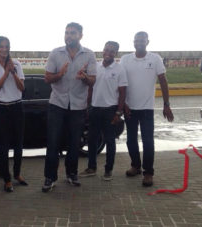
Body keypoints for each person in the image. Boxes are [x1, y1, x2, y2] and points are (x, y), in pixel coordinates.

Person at [42, 22, 97, 193]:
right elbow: (47, 78)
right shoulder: (55, 53)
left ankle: (72, 173)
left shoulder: (89, 55)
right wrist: (60, 74)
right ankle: (50, 177)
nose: (68, 36)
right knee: (53, 142)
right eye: (66, 33)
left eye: (72, 33)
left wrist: (85, 77)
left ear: (81, 35)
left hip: (78, 106)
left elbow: (93, 80)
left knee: (74, 143)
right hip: (57, 104)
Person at [120, 31, 174, 187]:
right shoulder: (125, 59)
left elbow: (163, 81)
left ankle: (148, 172)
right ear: (133, 42)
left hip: (146, 109)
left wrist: (166, 104)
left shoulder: (155, 58)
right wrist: (123, 104)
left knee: (148, 142)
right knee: (130, 140)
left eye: (142, 40)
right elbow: (121, 83)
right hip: (129, 107)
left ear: (147, 42)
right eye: (137, 40)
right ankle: (135, 166)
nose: (139, 43)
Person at [79, 41, 127, 181]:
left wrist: (119, 112)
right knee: (92, 140)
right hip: (94, 109)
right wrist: (87, 106)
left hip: (110, 110)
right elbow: (90, 87)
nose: (108, 53)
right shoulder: (95, 67)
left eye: (112, 51)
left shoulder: (119, 69)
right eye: (107, 49)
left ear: (116, 53)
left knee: (110, 141)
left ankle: (108, 170)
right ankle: (91, 168)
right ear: (103, 50)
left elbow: (123, 93)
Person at [0, 36, 27, 192]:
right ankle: (6, 178)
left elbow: (22, 88)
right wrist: (5, 73)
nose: (4, 49)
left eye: (6, 46)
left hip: (16, 107)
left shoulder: (16, 63)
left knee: (18, 144)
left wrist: (13, 72)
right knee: (2, 146)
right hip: (0, 108)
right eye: (1, 46)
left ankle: (17, 174)